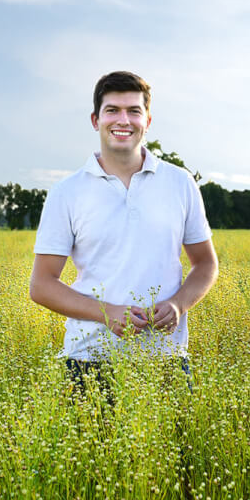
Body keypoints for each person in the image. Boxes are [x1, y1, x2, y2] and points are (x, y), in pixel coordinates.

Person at [30, 70, 218, 383]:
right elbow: (42, 285)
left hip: (166, 358)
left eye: (134, 111)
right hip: (89, 361)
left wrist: (178, 303)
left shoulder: (180, 182)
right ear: (95, 120)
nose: (123, 120)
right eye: (112, 110)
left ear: (148, 120)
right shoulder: (67, 192)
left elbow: (206, 263)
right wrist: (106, 312)